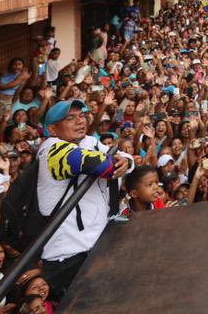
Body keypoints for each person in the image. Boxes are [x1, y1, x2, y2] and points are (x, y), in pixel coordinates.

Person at [36, 99, 132, 301]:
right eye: (70, 118)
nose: (80, 121)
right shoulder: (50, 149)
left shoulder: (89, 141)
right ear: (53, 129)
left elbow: (124, 159)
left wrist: (127, 161)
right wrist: (116, 161)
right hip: (67, 256)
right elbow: (101, 165)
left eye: (81, 115)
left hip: (95, 244)